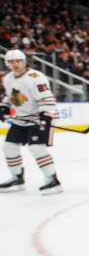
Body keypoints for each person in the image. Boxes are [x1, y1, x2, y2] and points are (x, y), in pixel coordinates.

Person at [1, 48, 62, 195]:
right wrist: (4, 107)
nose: (15, 64)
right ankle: (17, 179)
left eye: (18, 61)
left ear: (24, 61)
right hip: (20, 120)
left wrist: (46, 114)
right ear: (6, 63)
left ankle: (53, 180)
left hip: (37, 120)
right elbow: (11, 97)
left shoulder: (36, 77)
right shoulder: (8, 78)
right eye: (11, 61)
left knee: (36, 148)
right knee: (9, 147)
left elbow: (47, 98)